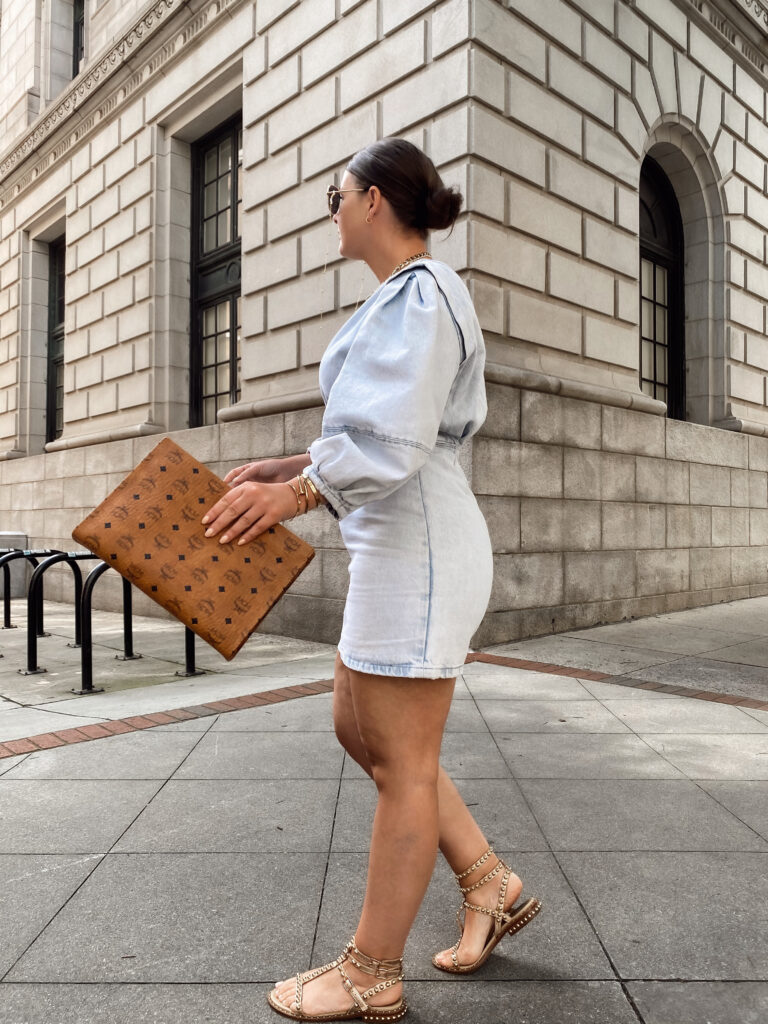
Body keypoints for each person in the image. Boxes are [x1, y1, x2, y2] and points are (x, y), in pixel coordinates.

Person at [201, 138, 541, 1023]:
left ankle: (371, 973)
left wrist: (299, 494)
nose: (333, 209)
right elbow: (375, 429)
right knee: (362, 731)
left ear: (377, 201)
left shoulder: (422, 295)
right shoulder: (405, 298)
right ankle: (490, 882)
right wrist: (282, 466)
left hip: (419, 543)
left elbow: (391, 443)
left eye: (336, 194)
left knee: (403, 762)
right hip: (396, 540)